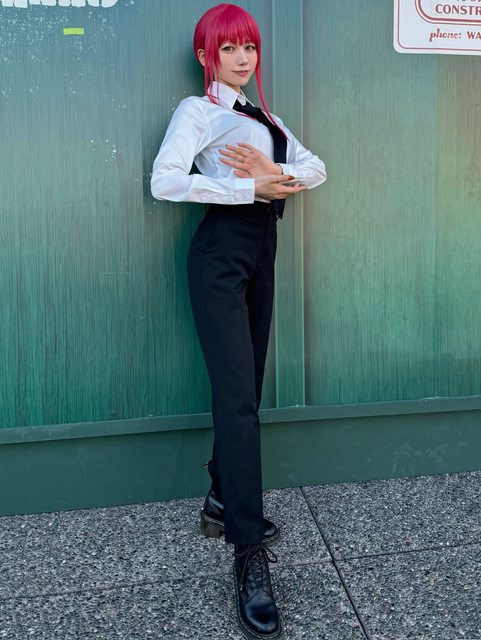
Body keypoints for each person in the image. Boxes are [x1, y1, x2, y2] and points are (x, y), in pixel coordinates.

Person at [150, 4, 326, 638]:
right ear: (207, 56)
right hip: (219, 256)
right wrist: (247, 189)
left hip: (261, 255)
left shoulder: (265, 118)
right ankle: (248, 554)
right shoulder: (196, 112)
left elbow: (316, 167)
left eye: (249, 46)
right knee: (236, 400)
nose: (243, 58)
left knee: (246, 390)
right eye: (229, 48)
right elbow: (165, 182)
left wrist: (275, 174)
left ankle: (223, 496)